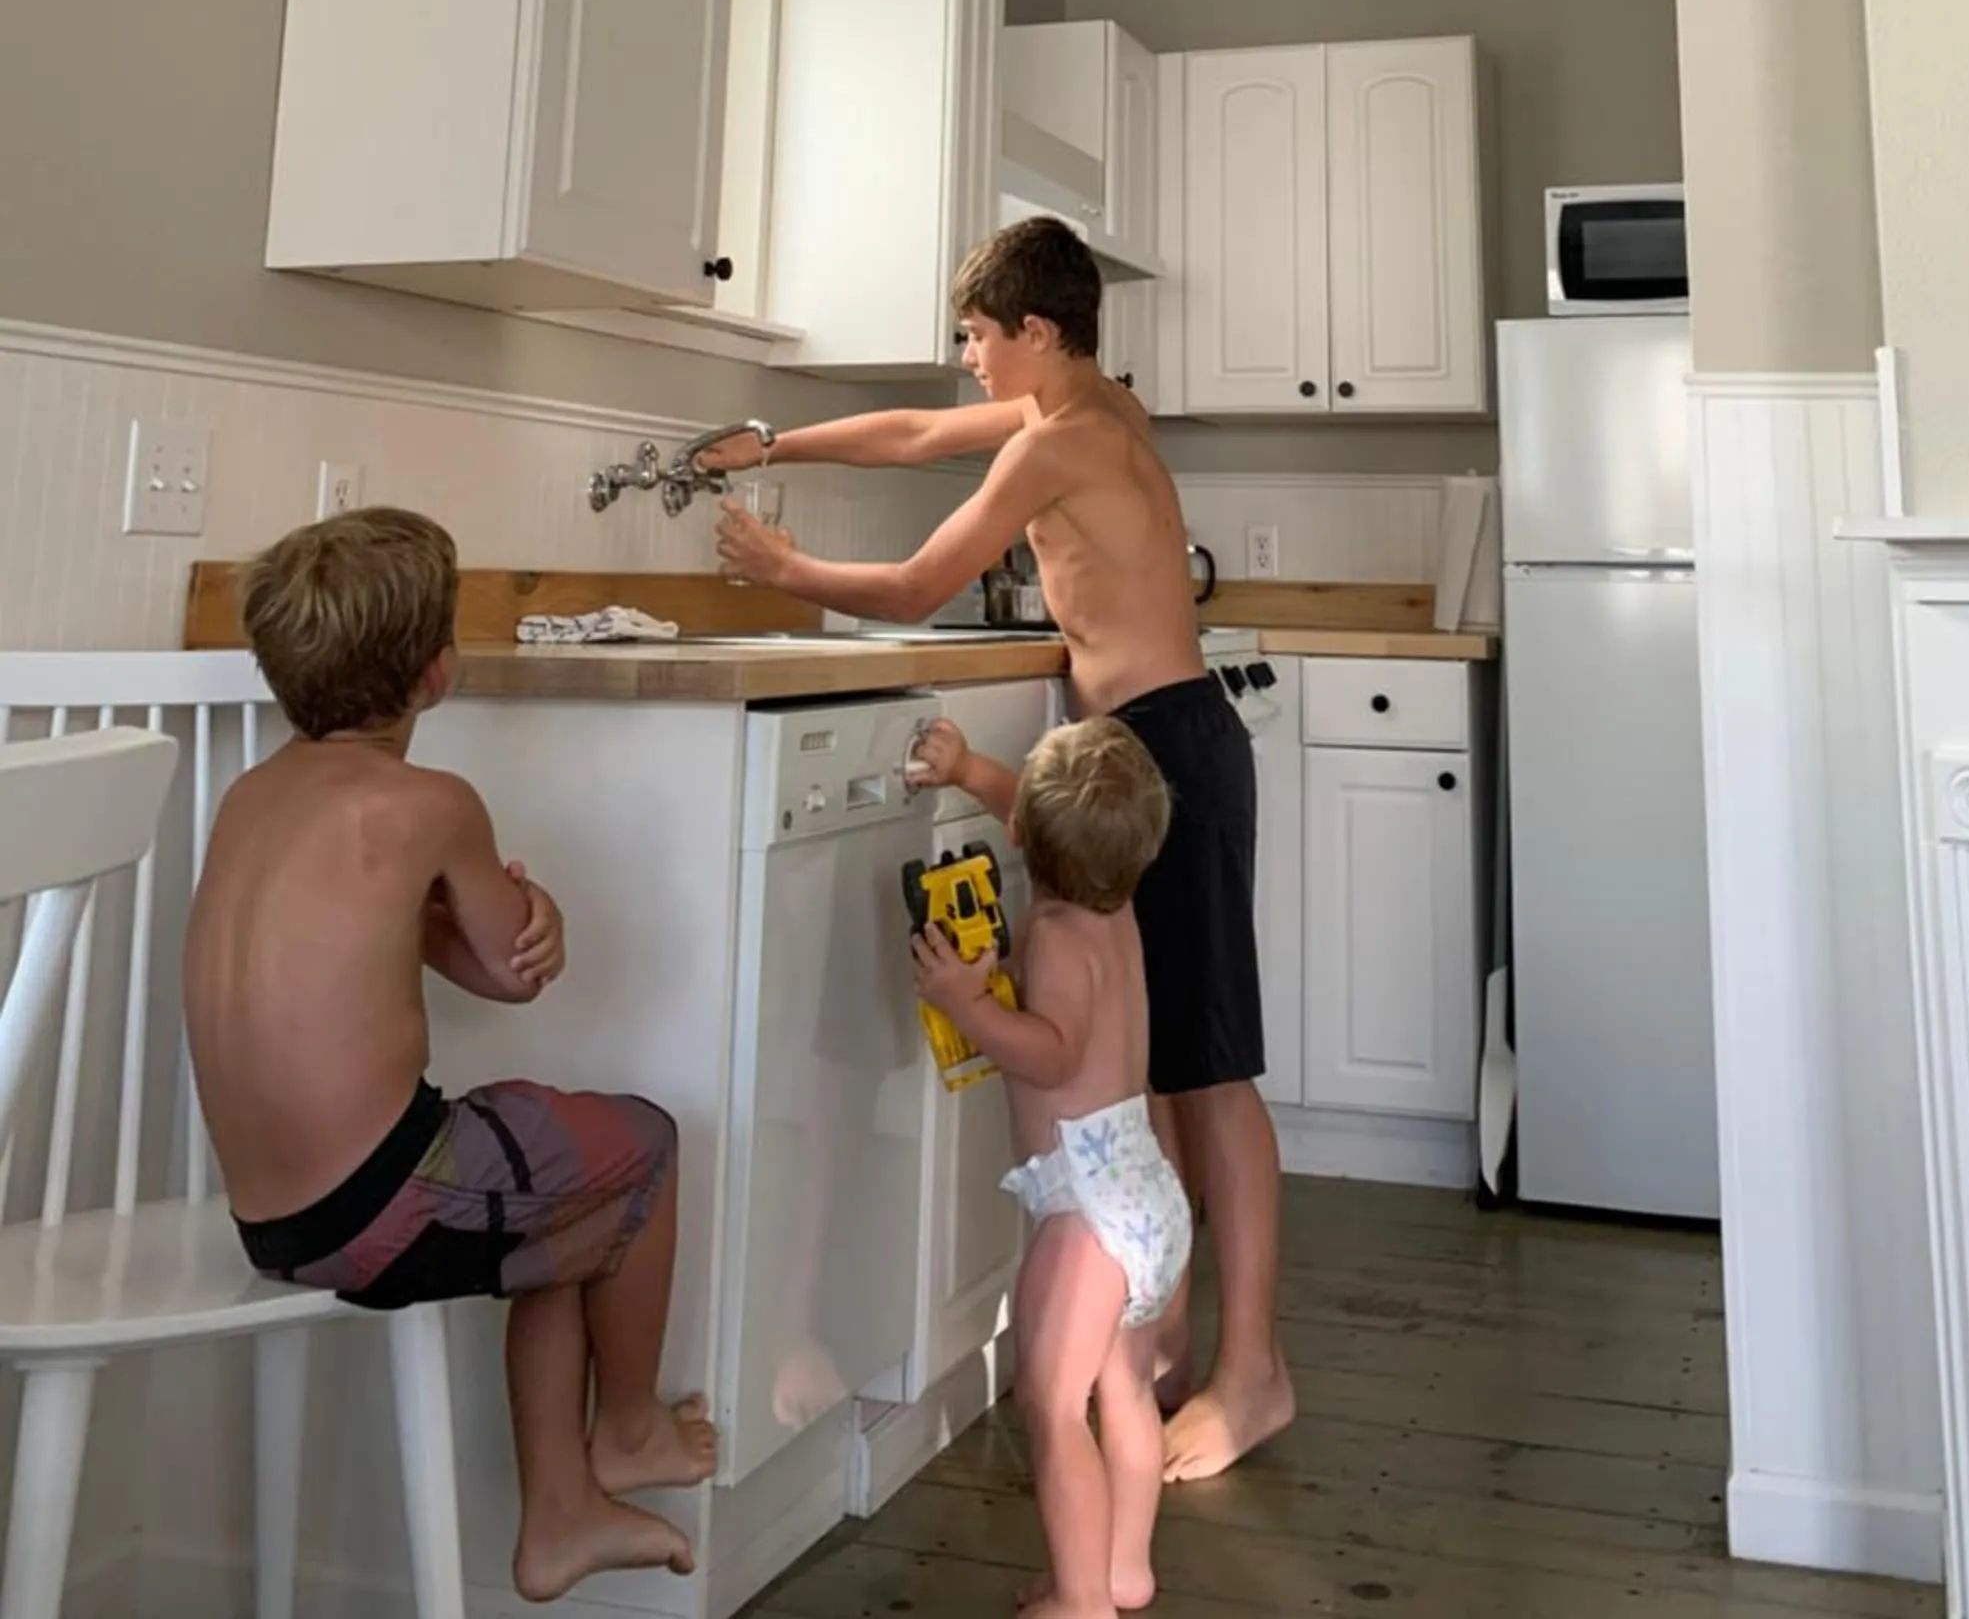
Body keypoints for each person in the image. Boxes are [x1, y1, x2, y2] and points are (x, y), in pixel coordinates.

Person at [703, 215, 1293, 1482]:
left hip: (1169, 750)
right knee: (1158, 1062)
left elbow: (919, 585)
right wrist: (774, 442)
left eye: (975, 335)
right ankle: (1165, 1340)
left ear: (1036, 330)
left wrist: (781, 565)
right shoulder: (1087, 404)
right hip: (1153, 741)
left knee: (1210, 1071)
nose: (965, 358)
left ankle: (1254, 1373)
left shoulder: (1062, 440)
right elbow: (917, 436)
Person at [183, 507, 716, 1604]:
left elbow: (417, 946)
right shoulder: (431, 803)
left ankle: (560, 1520)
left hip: (268, 1220)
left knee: (567, 1198)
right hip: (382, 1207)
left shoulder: (249, 795)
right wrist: (540, 912)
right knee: (646, 1148)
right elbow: (516, 973)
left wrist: (439, 922)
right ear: (437, 671)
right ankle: (627, 1431)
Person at [914, 715, 1191, 1618]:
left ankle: (1080, 1600)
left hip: (1087, 1215)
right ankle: (1121, 1570)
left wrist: (967, 1003)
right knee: (1125, 1392)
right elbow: (1055, 819)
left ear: (1019, 836)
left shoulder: (1059, 935)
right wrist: (968, 769)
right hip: (1145, 1194)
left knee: (1053, 1404)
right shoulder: (1117, 910)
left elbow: (1052, 1052)